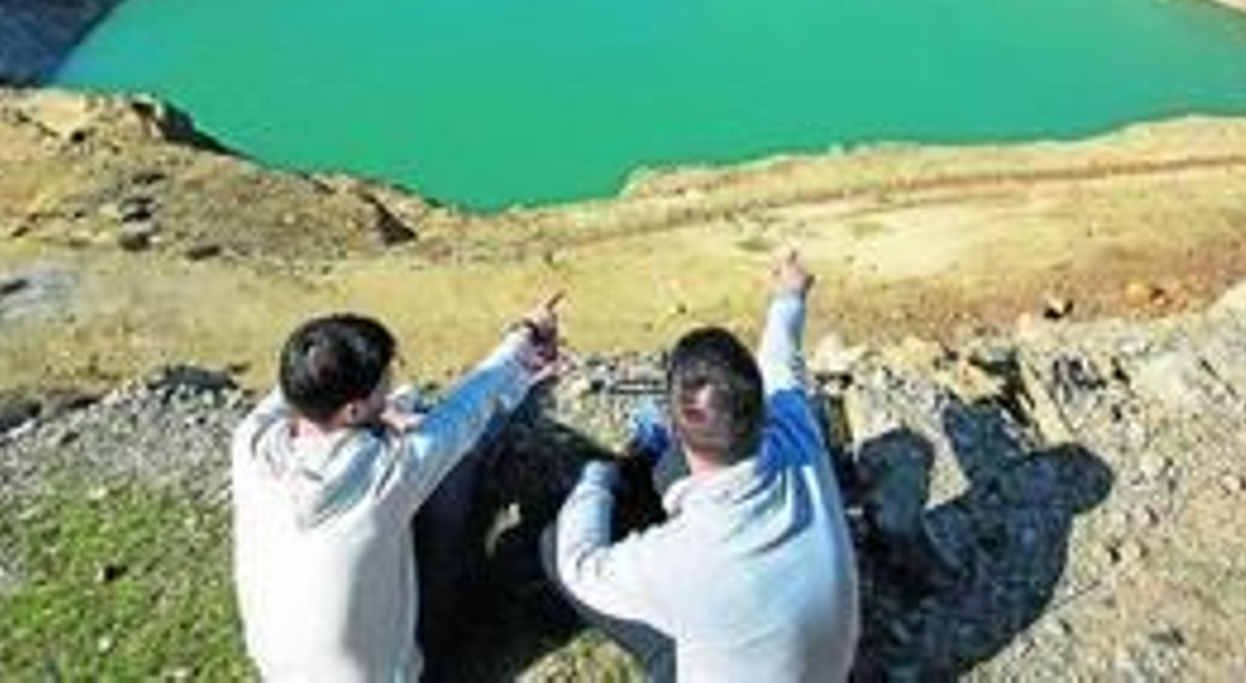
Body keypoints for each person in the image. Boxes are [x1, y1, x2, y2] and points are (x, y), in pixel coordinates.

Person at [548, 253, 860, 681]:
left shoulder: (678, 559)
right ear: (760, 403)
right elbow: (781, 360)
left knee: (554, 543)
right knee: (668, 472)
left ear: (676, 424)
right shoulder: (798, 430)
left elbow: (581, 566)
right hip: (828, 669)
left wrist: (595, 478)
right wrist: (790, 295)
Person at [231, 295, 563, 682]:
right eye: (386, 380)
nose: (393, 383)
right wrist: (527, 334)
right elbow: (470, 405)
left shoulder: (251, 443)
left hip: (279, 669)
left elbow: (303, 392)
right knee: (466, 460)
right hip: (392, 676)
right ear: (352, 410)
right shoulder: (383, 476)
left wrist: (382, 414)